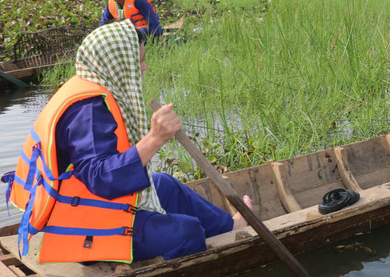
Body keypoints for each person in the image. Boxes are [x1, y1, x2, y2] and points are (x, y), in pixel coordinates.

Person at [6, 20, 250, 264]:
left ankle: (230, 228)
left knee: (164, 184)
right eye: (139, 61)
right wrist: (155, 138)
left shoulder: (87, 86)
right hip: (84, 228)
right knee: (187, 232)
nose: (143, 68)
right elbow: (101, 179)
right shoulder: (89, 110)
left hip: (85, 207)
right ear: (116, 63)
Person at [99, 0, 163, 38]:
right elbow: (103, 23)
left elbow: (155, 25)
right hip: (127, 32)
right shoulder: (111, 2)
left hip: (144, 31)